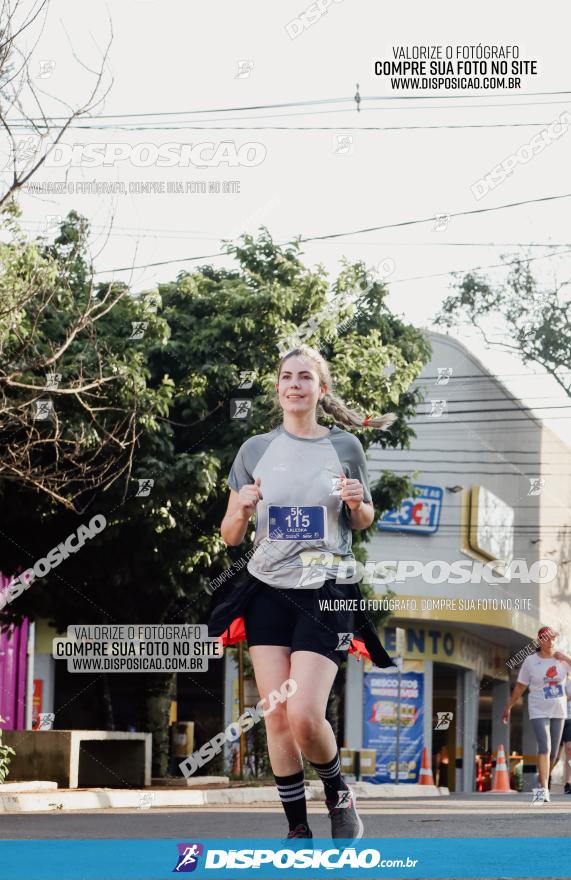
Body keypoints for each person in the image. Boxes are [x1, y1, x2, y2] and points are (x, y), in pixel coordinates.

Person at [208, 344, 396, 841]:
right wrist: (243, 509)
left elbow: (363, 518)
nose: (295, 385)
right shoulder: (253, 450)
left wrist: (357, 504)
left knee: (305, 712)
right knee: (276, 714)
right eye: (287, 377)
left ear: (321, 389)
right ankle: (297, 828)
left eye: (305, 378)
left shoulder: (346, 447)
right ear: (278, 388)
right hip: (267, 588)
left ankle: (337, 792)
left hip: (327, 587)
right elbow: (229, 535)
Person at [501, 626, 571, 805]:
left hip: (559, 711)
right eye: (547, 639)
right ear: (540, 641)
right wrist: (508, 706)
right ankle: (542, 789)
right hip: (538, 709)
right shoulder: (531, 662)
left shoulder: (561, 661)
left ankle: (543, 780)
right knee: (544, 747)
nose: (551, 642)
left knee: (554, 754)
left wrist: (566, 657)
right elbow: (520, 686)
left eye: (553, 639)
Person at [555, 679, 571, 794]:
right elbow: (549, 699)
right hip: (555, 718)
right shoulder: (551, 680)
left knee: (570, 750)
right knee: (555, 755)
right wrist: (566, 698)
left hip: (570, 719)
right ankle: (545, 779)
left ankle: (568, 784)